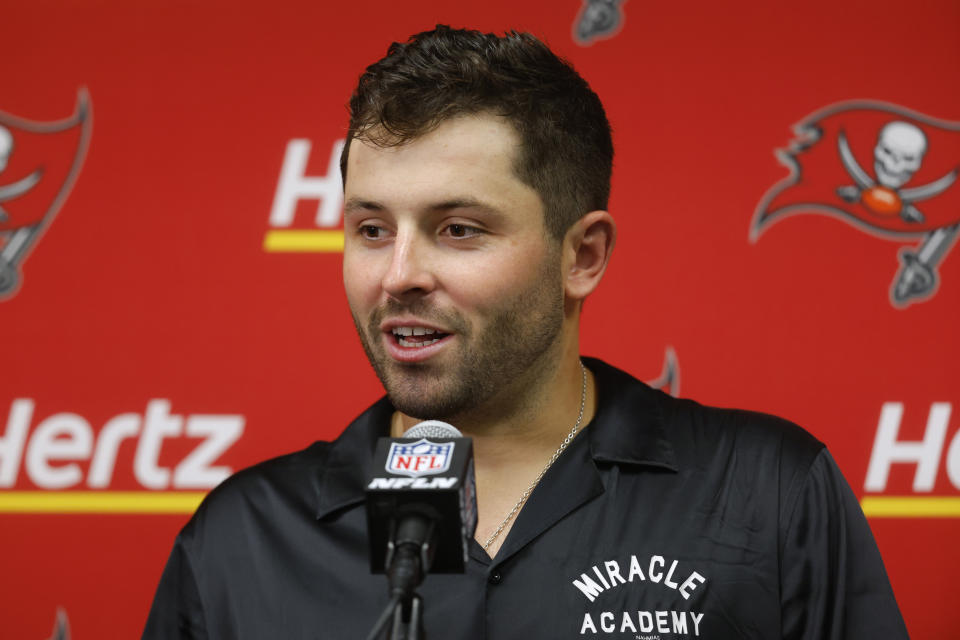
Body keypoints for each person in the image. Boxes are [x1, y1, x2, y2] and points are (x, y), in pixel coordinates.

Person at [143, 25, 908, 639]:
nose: (398, 274)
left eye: (458, 229)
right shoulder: (243, 539)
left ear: (582, 255)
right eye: (372, 229)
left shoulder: (766, 494)